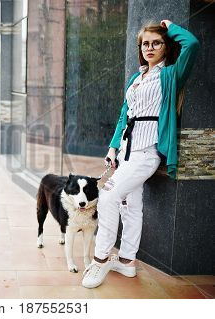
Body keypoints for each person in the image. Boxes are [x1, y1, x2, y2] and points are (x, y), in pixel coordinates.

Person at [82, 19, 200, 289]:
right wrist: (113, 148)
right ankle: (126, 262)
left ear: (165, 46)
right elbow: (126, 115)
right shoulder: (137, 77)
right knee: (130, 206)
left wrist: (170, 27)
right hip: (126, 151)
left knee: (109, 195)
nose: (149, 47)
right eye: (145, 43)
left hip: (147, 153)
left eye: (156, 42)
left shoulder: (170, 74)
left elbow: (192, 44)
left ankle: (100, 260)